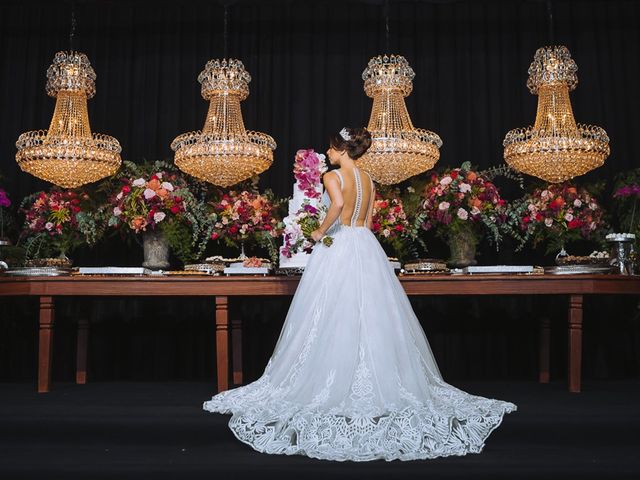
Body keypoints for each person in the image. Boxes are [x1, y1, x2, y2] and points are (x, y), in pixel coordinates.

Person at [203, 127, 516, 461]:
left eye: (330, 148)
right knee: (374, 313)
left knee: (334, 313)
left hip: (338, 245)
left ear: (341, 149)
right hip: (366, 246)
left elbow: (338, 204)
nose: (326, 153)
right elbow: (367, 222)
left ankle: (333, 379)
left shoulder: (332, 176)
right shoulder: (368, 178)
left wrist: (320, 231)